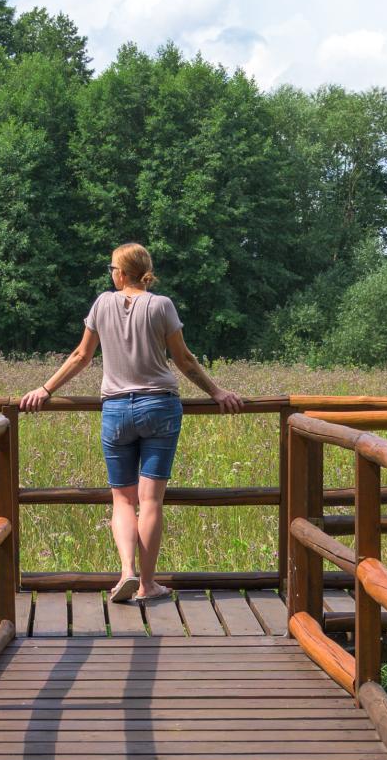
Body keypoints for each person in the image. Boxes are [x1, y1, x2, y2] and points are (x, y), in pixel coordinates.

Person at [21, 242, 244, 604]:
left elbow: (81, 356)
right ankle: (147, 584)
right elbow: (184, 359)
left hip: (116, 411)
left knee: (123, 500)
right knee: (151, 500)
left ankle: (127, 571)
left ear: (122, 273)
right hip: (159, 407)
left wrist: (45, 389)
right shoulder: (161, 305)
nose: (111, 274)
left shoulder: (102, 304)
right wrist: (216, 391)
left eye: (112, 269)